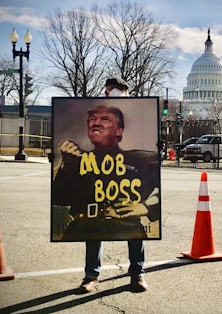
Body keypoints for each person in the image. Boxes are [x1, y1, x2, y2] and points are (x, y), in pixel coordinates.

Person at [52, 78, 159, 294]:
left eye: (105, 119)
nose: (96, 123)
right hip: (90, 222)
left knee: (134, 230)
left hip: (129, 223)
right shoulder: (77, 161)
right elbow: (60, 199)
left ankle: (137, 274)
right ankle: (91, 275)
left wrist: (145, 206)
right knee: (93, 230)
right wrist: (65, 165)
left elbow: (158, 190)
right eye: (92, 119)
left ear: (119, 131)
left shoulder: (143, 159)